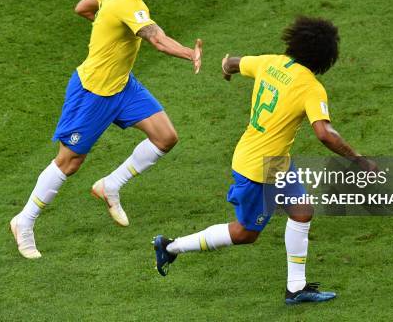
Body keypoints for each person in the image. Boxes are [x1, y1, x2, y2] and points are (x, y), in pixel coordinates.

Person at [153, 16, 376, 305]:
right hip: (258, 169)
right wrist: (359, 160)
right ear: (325, 58)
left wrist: (226, 69)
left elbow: (233, 61)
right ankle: (171, 247)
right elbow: (324, 134)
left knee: (302, 211)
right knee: (246, 233)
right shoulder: (311, 87)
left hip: (271, 161)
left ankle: (296, 288)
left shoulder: (271, 62)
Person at [10, 0, 203, 259]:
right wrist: (189, 52)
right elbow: (156, 39)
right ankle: (24, 221)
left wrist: (106, 26)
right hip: (92, 92)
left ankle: (110, 185)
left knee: (165, 137)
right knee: (69, 162)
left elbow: (83, 8)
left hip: (123, 86)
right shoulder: (128, 2)